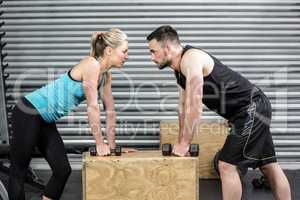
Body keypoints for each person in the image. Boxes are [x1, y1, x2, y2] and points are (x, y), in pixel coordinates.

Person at [146, 25, 291, 200]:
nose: (151, 57)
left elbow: (194, 106)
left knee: (226, 165)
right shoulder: (179, 72)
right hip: (250, 110)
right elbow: (183, 108)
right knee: (268, 165)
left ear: (167, 48)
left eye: (153, 51)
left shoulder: (191, 59)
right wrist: (180, 143)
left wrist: (185, 144)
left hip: (252, 108)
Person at [8, 28, 130, 200]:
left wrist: (112, 147)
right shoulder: (91, 65)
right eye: (124, 51)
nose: (127, 56)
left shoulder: (106, 76)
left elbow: (110, 111)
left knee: (62, 170)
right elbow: (93, 107)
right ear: (109, 50)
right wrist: (99, 143)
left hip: (44, 120)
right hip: (28, 112)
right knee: (18, 172)